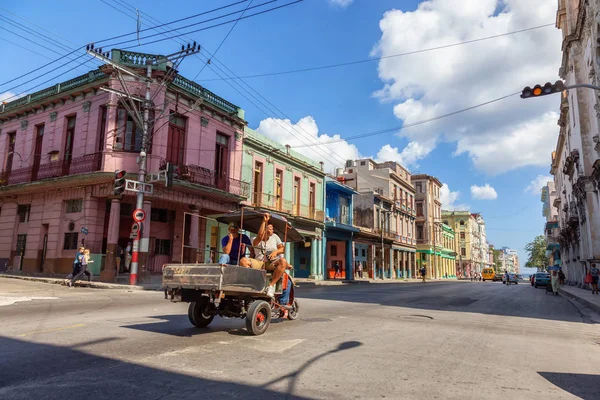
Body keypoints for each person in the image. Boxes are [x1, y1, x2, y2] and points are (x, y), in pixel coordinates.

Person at [242, 213, 290, 298]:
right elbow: (260, 237)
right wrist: (264, 221)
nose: (271, 231)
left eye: (272, 229)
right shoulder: (254, 239)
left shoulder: (275, 237)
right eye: (269, 229)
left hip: (270, 263)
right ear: (264, 230)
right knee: (243, 261)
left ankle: (271, 286)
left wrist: (275, 252)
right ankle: (251, 283)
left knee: (283, 261)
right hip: (259, 262)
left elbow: (282, 249)